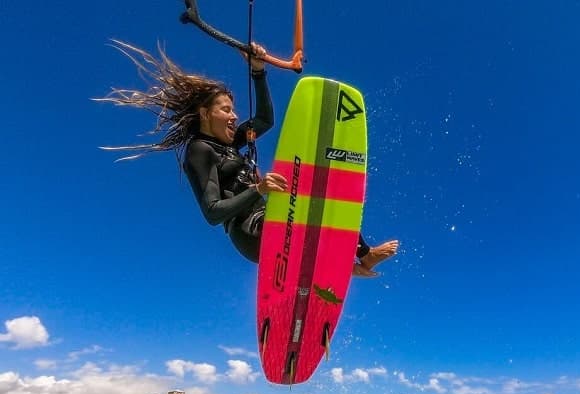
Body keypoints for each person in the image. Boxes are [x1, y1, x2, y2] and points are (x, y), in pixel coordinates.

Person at [99, 40, 398, 275]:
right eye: (226, 110)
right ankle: (346, 263)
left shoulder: (232, 144)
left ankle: (360, 256)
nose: (234, 116)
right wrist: (259, 189)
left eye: (233, 109)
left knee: (314, 183)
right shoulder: (199, 150)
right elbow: (213, 213)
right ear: (205, 114)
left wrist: (258, 71)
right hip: (250, 232)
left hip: (273, 218)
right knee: (304, 201)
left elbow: (265, 119)